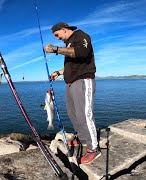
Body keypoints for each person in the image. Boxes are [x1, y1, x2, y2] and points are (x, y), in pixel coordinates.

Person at [45, 22, 100, 164]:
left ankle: (94, 148)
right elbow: (72, 65)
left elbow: (82, 53)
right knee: (73, 114)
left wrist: (56, 49)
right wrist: (59, 72)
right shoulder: (69, 44)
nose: (57, 38)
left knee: (85, 114)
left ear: (63, 30)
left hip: (83, 80)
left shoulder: (81, 36)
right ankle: (82, 139)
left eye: (57, 35)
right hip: (70, 83)